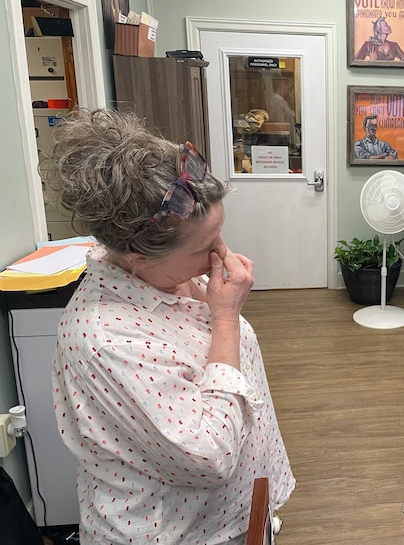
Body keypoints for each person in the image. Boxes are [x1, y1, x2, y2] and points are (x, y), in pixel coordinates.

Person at [42, 108, 294, 544]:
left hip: (240, 514)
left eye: (220, 233)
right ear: (139, 256)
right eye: (205, 247)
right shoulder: (105, 339)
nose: (223, 254)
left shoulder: (168, 277)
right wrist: (225, 318)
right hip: (180, 532)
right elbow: (210, 457)